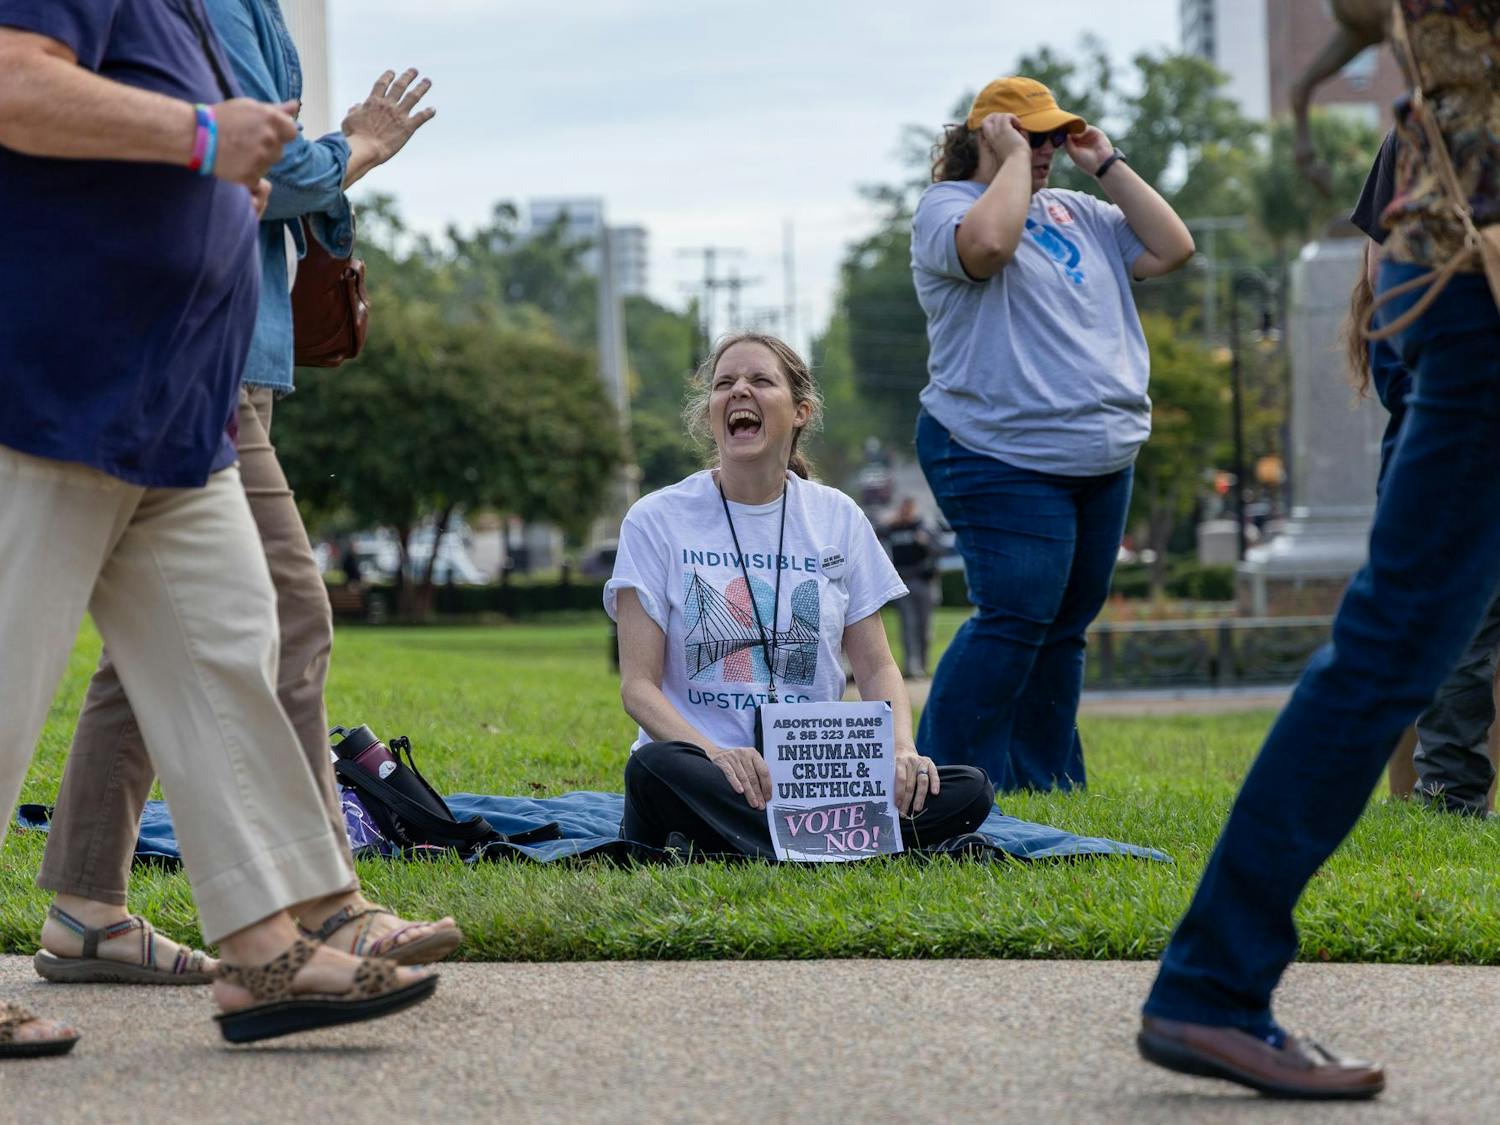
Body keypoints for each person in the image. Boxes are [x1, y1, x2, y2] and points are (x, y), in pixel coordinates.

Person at [0, 0, 435, 1053]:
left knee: (231, 659)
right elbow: (14, 78)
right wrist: (202, 137)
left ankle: (267, 945)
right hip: (53, 387)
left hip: (179, 403)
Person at [1139, 2, 1500, 1098]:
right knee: (1394, 646)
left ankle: (1213, 976)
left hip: (1447, 259)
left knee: (1394, 643)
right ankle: (1211, 980)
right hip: (1479, 269)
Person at [908, 76, 1195, 793]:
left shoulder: (1076, 209)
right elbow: (991, 247)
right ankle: (940, 785)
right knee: (1014, 619)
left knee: (1065, 628)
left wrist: (1105, 162)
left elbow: (1172, 246)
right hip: (998, 452)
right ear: (988, 136)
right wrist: (1007, 163)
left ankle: (1045, 784)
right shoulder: (948, 208)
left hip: (1100, 457)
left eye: (1051, 138)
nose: (1045, 152)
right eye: (1031, 137)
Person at [606, 333, 996, 856]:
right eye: (725, 383)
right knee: (653, 767)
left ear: (800, 412)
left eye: (760, 380)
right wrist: (718, 754)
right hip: (705, 775)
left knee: (969, 788)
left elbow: (878, 668)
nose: (739, 390)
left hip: (816, 780)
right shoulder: (655, 519)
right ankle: (835, 844)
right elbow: (638, 689)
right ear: (710, 414)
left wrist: (902, 750)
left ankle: (767, 843)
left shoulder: (838, 517)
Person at [1344, 131, 1500, 818]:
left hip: (1440, 403)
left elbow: (1382, 282)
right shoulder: (1427, 131)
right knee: (1446, 615)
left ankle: (1440, 796)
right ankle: (1445, 797)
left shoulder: (1421, 126)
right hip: (1454, 406)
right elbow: (1384, 279)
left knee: (1431, 612)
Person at [879, 498, 938, 679]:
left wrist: (925, 542)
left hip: (923, 581)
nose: (906, 514)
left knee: (924, 628)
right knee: (908, 625)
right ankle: (912, 667)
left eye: (909, 510)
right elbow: (873, 535)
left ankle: (923, 664)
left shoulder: (923, 527)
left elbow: (940, 549)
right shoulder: (892, 529)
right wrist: (885, 523)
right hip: (904, 581)